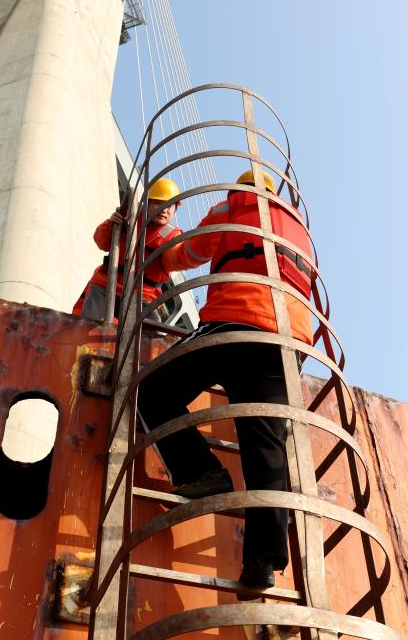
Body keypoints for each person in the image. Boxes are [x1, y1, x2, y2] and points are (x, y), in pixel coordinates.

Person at [136, 168, 314, 597]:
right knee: (265, 447)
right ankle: (263, 560)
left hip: (236, 321)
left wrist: (153, 253)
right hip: (289, 343)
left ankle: (202, 472)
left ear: (241, 188)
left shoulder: (234, 206)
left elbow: (187, 253)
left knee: (151, 389)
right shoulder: (299, 229)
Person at [72, 178, 182, 320]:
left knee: (153, 330)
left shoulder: (173, 237)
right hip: (106, 286)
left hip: (142, 298)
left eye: (169, 206)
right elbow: (101, 242)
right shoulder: (127, 217)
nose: (164, 210)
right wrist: (111, 224)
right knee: (90, 324)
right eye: (158, 203)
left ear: (175, 209)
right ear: (147, 203)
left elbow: (178, 257)